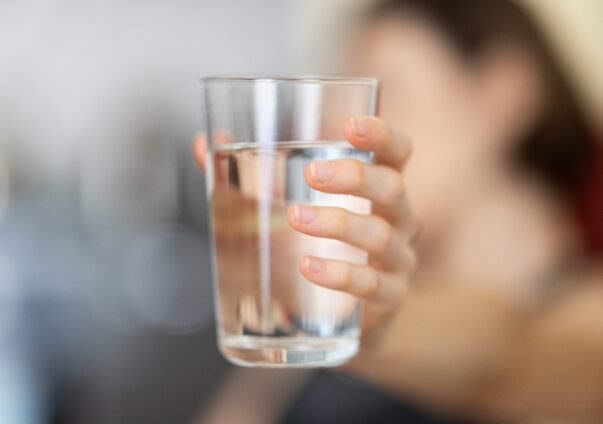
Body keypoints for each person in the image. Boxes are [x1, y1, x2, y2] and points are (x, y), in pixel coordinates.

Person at [194, 0, 603, 422]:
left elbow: (511, 361)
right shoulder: (322, 305)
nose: (338, 129)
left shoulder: (586, 311)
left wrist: (372, 328)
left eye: (385, 95)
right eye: (339, 106)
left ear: (503, 90)